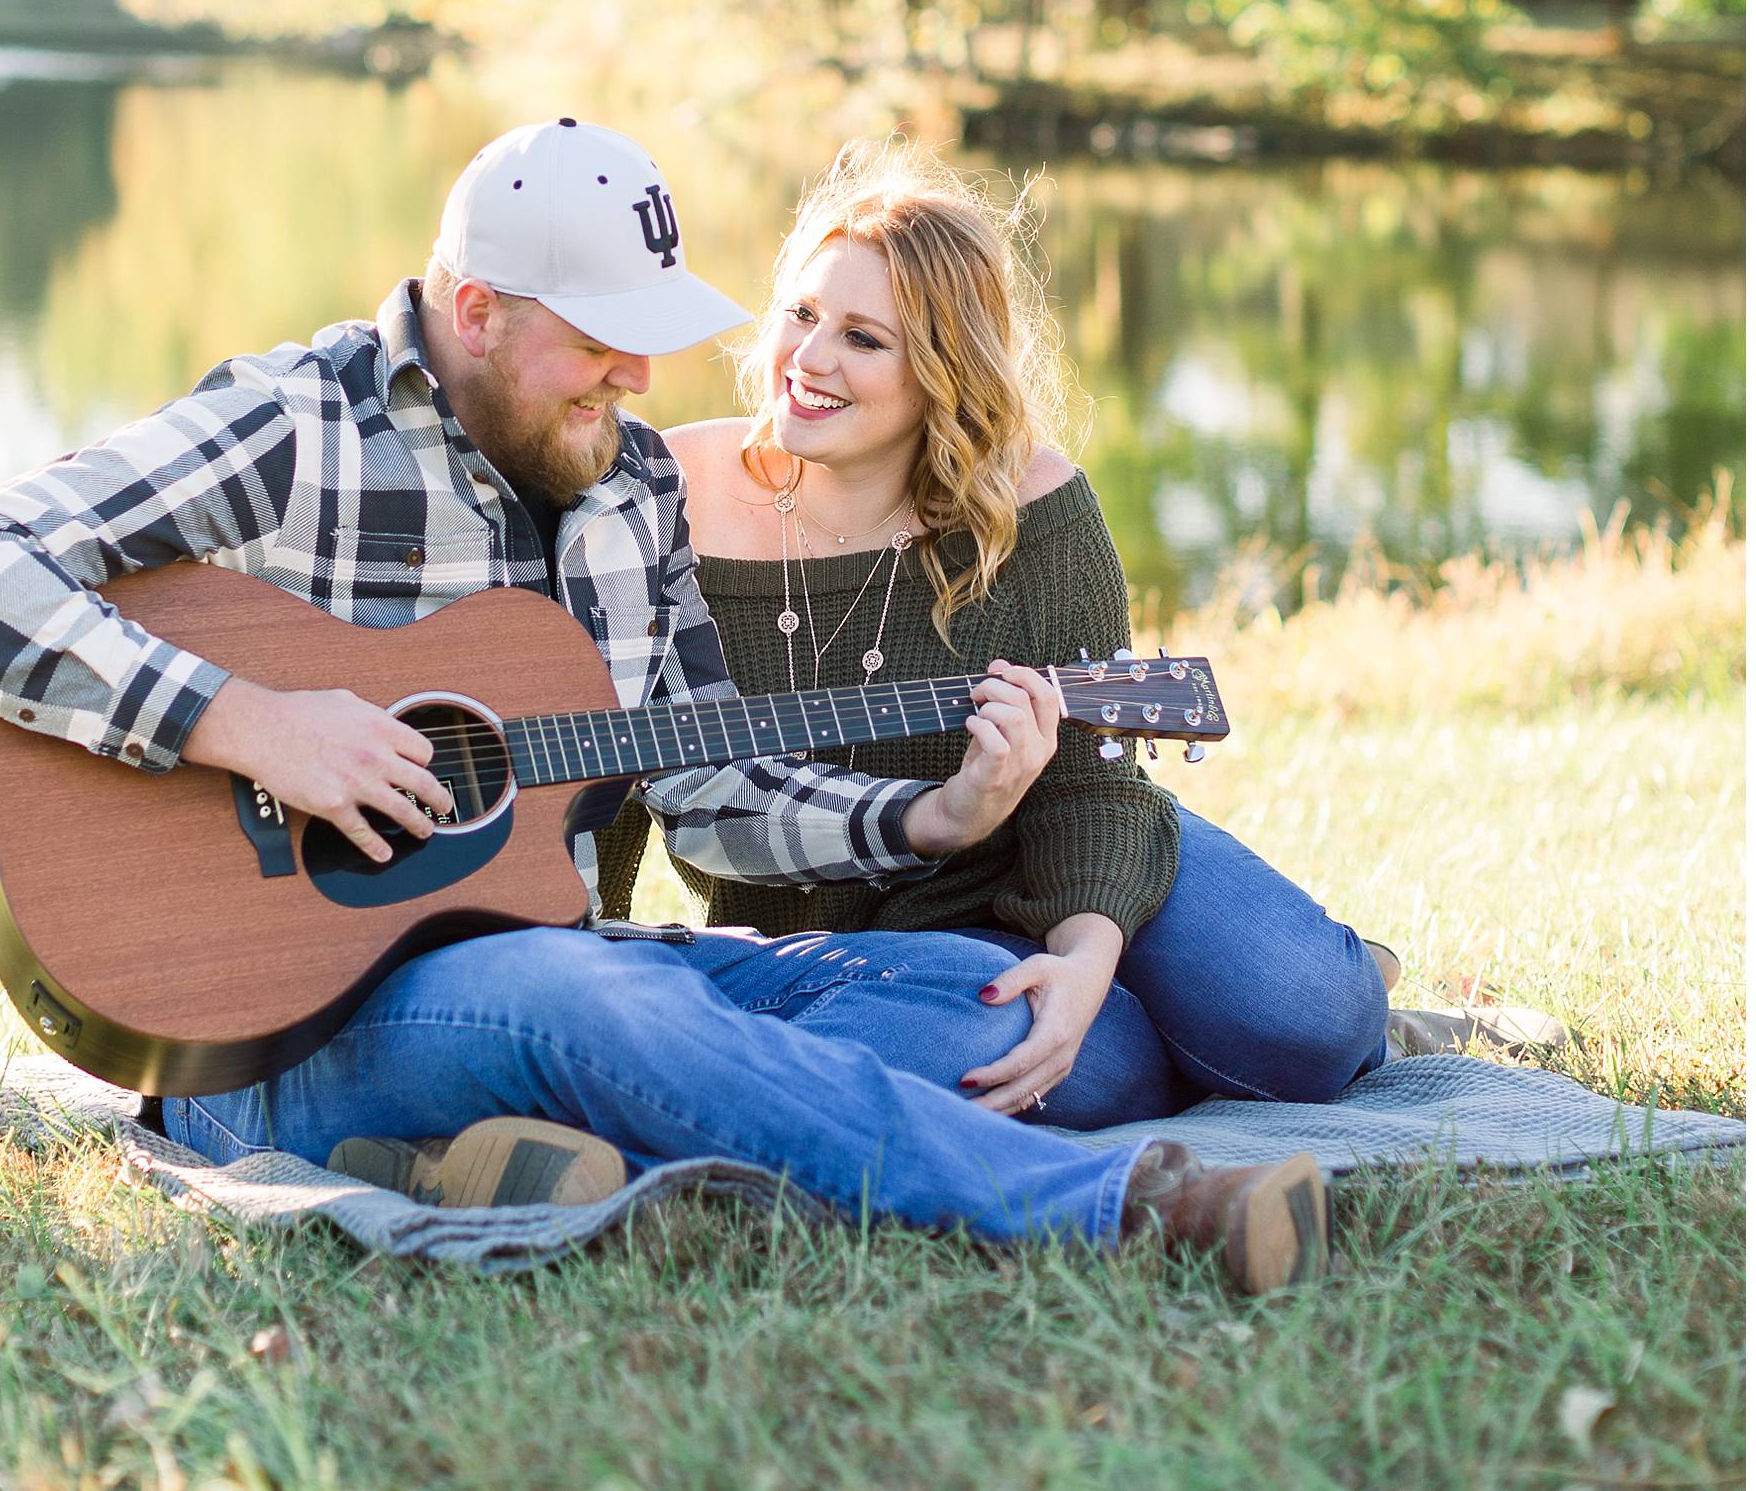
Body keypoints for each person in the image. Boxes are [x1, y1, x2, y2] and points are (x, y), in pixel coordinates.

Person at [0, 117, 1333, 1291]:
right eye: (599, 339)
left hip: (567, 956)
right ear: (477, 307)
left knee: (991, 1013)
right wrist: (253, 722)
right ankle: (1120, 1210)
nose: (642, 377)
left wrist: (932, 811)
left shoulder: (623, 482)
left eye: (649, 335)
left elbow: (715, 789)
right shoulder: (299, 424)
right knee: (590, 998)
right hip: (270, 1025)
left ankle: (503, 1148)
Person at [593, 140, 1394, 1132]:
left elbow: (1095, 770)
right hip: (845, 931)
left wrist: (1087, 950)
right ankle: (1161, 1035)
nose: (806, 360)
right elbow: (610, 759)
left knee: (1306, 1021)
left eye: (861, 338)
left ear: (940, 369)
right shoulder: (665, 494)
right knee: (1082, 1062)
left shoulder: (1034, 506)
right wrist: (579, 941)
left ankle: (1333, 986)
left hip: (1055, 852)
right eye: (801, 314)